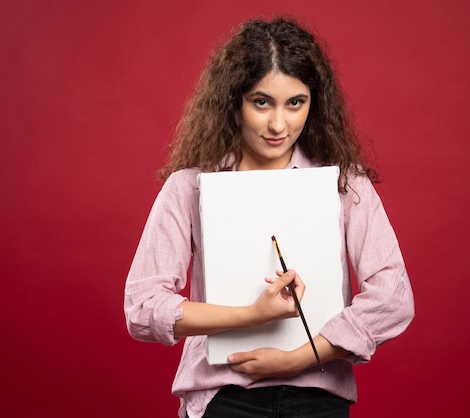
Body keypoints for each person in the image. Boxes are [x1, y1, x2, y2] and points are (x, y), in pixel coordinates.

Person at [124, 16, 414, 418]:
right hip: (223, 398)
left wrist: (299, 358)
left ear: (314, 103)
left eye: (295, 102)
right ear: (233, 101)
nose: (279, 125)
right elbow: (142, 307)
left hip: (319, 400)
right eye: (262, 102)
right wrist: (252, 315)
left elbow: (393, 298)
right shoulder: (189, 187)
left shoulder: (345, 185)